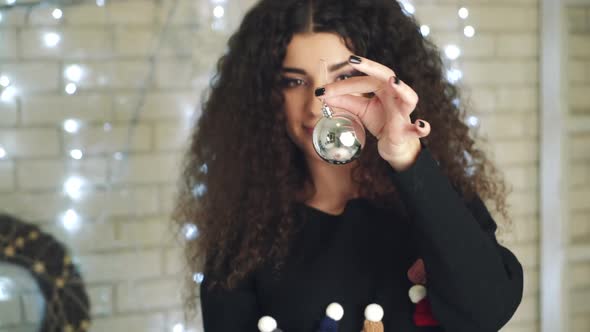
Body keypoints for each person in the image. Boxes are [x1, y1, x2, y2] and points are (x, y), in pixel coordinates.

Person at [172, 0, 524, 331]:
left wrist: (405, 156)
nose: (316, 105)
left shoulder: (435, 196)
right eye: (294, 82)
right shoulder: (242, 234)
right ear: (265, 94)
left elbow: (487, 310)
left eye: (342, 78)